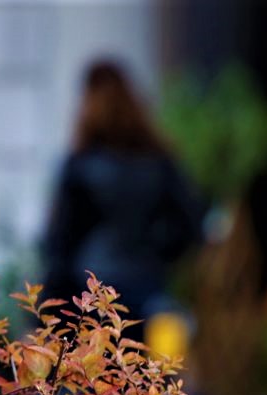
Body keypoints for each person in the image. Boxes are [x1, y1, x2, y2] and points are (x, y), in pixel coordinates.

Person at [40, 60, 205, 319]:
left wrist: (45, 306)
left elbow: (58, 244)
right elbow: (191, 225)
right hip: (147, 289)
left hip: (89, 294)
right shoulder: (159, 163)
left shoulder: (81, 166)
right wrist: (158, 253)